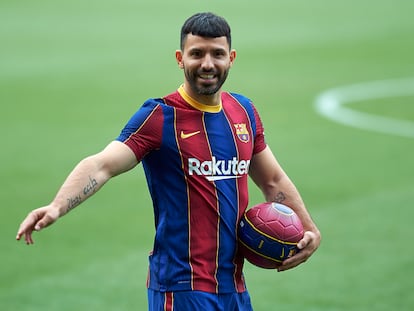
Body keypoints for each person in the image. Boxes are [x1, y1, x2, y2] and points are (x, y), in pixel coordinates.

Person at [16, 12, 321, 311]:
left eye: (217, 54)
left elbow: (273, 180)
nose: (207, 64)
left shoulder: (243, 112)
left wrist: (308, 228)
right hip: (180, 288)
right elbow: (102, 165)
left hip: (234, 286)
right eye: (196, 53)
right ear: (180, 58)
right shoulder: (159, 117)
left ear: (231, 58)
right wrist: (57, 205)